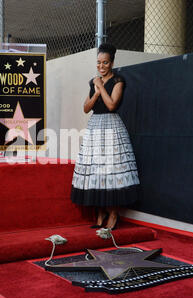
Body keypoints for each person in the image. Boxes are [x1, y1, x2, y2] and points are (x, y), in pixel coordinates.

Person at [71, 43, 140, 230]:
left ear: (112, 63)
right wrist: (95, 90)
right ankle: (100, 212)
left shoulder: (118, 81)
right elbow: (86, 108)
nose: (101, 67)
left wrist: (100, 86)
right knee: (96, 169)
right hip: (95, 126)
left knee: (111, 170)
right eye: (99, 63)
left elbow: (111, 105)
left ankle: (113, 213)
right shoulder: (93, 81)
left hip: (111, 125)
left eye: (105, 63)